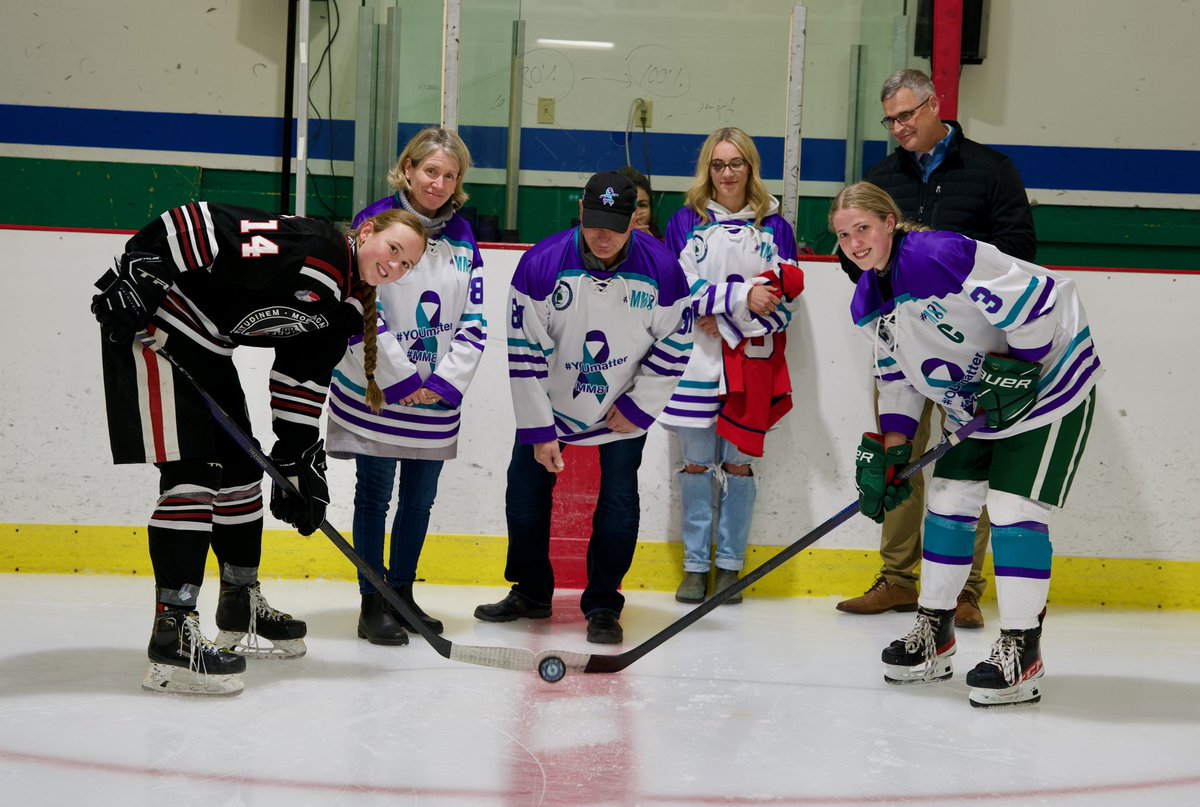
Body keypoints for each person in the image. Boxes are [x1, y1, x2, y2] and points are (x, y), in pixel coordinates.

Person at [90, 201, 425, 695]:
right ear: (368, 231)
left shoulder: (347, 304)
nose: (394, 266)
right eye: (393, 249)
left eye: (406, 265)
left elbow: (301, 375)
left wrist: (296, 455)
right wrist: (142, 264)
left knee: (242, 473)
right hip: (155, 325)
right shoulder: (312, 247)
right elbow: (206, 224)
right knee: (194, 475)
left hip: (207, 345)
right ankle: (172, 632)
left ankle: (238, 601)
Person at [829, 181, 1101, 707]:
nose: (855, 243)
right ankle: (936, 631)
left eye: (863, 228)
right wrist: (893, 451)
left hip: (1050, 384)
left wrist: (1019, 371)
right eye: (843, 235)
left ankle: (1022, 649)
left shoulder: (943, 254)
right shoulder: (867, 300)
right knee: (948, 503)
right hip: (978, 403)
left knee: (1012, 508)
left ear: (890, 222)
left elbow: (1038, 300)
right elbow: (898, 379)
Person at [835, 68, 1038, 629]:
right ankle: (898, 579)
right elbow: (859, 254)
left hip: (972, 349)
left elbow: (1020, 249)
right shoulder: (881, 177)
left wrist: (944, 262)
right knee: (898, 453)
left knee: (962, 463)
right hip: (903, 343)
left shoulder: (990, 170)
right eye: (890, 119)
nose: (899, 127)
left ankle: (965, 589)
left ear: (934, 105)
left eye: (907, 114)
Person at [474, 171, 693, 644]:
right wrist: (538, 428)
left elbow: (677, 343)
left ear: (635, 217)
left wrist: (638, 408)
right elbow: (523, 351)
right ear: (580, 212)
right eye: (594, 221)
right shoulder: (541, 263)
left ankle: (602, 603)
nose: (603, 234)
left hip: (622, 405)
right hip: (551, 405)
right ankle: (531, 591)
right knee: (525, 498)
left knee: (618, 501)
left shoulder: (663, 268)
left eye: (614, 223)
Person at [326, 128, 486, 645]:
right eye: (430, 171)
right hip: (378, 389)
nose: (438, 183)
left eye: (450, 175)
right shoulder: (373, 221)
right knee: (374, 496)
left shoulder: (464, 235)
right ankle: (372, 603)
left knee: (419, 502)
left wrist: (441, 381)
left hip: (436, 397)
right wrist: (399, 381)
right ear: (409, 168)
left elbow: (474, 318)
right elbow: (358, 306)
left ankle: (401, 594)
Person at [660, 127, 802, 604]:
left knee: (738, 467)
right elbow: (679, 291)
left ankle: (731, 569)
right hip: (696, 362)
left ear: (750, 167)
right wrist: (737, 300)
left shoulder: (776, 226)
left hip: (753, 361)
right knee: (697, 465)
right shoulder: (685, 221)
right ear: (708, 168)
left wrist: (726, 322)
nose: (726, 173)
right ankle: (696, 566)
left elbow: (785, 301)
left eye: (735, 163)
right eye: (718, 164)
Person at [618, 165, 661, 239]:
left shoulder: (663, 246)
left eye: (642, 205)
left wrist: (653, 245)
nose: (635, 213)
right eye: (628, 204)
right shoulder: (599, 246)